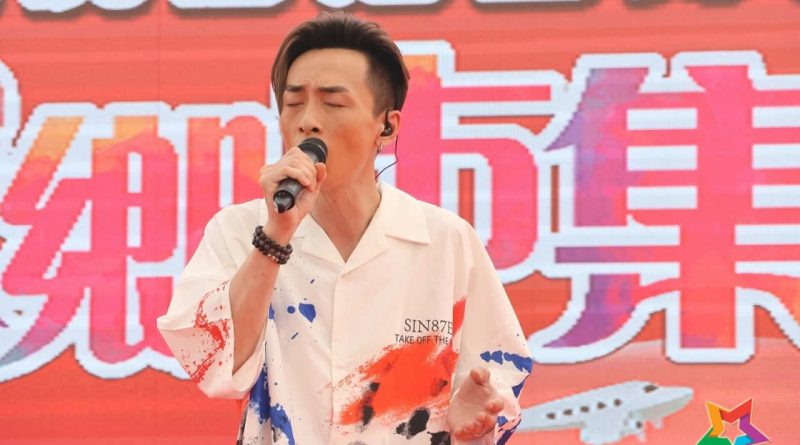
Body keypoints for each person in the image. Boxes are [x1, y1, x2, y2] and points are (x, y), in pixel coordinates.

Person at [157, 11, 532, 445]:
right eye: (294, 103)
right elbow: (216, 367)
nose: (308, 121)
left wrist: (476, 421)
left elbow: (498, 378)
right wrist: (275, 237)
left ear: (387, 126)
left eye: (333, 104)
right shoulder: (242, 231)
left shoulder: (445, 240)